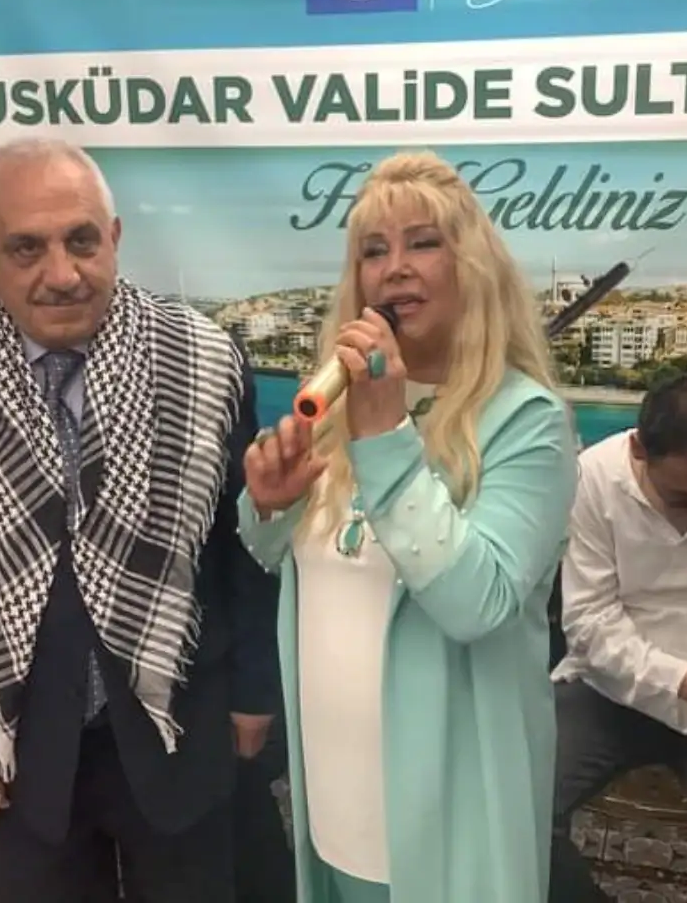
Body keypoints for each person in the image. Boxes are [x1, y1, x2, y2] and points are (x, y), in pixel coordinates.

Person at [0, 138, 280, 903]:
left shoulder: (201, 359)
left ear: (114, 237)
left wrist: (256, 689)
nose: (62, 274)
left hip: (182, 725)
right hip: (20, 753)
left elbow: (242, 541)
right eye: (26, 248)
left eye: (81, 241)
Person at [238, 151, 578, 903]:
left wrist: (388, 435)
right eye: (373, 251)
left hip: (451, 818)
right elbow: (285, 558)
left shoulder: (528, 422)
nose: (395, 269)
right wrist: (269, 506)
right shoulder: (338, 403)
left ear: (472, 266)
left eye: (423, 243)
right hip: (334, 802)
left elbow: (478, 603)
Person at [550, 374, 687, 903]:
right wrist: (682, 679)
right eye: (680, 496)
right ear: (639, 449)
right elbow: (588, 622)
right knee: (514, 805)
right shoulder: (592, 478)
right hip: (607, 687)